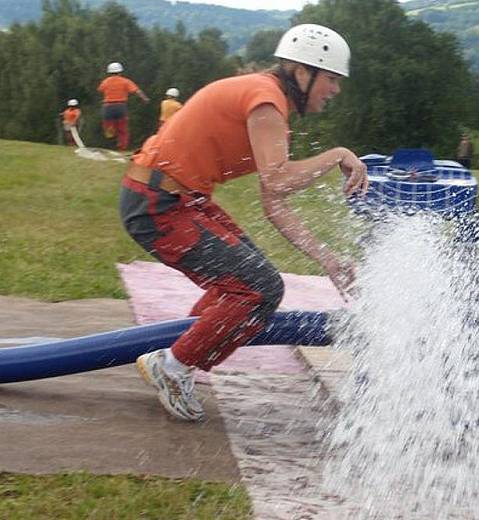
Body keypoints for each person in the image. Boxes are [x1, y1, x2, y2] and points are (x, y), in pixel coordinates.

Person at [120, 24, 367, 421]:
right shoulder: (266, 100)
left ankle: (179, 354)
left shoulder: (269, 104)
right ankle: (173, 364)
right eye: (332, 78)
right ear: (302, 72)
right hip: (158, 203)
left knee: (256, 283)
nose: (335, 89)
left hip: (176, 199)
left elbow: (276, 203)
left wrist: (330, 261)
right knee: (258, 288)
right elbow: (279, 179)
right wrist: (337, 154)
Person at [97, 62, 150, 151]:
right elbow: (137, 91)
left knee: (109, 129)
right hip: (120, 107)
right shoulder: (125, 81)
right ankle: (122, 147)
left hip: (108, 107)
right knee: (123, 129)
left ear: (109, 72)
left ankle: (111, 142)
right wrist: (145, 99)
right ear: (120, 72)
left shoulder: (105, 81)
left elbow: (100, 90)